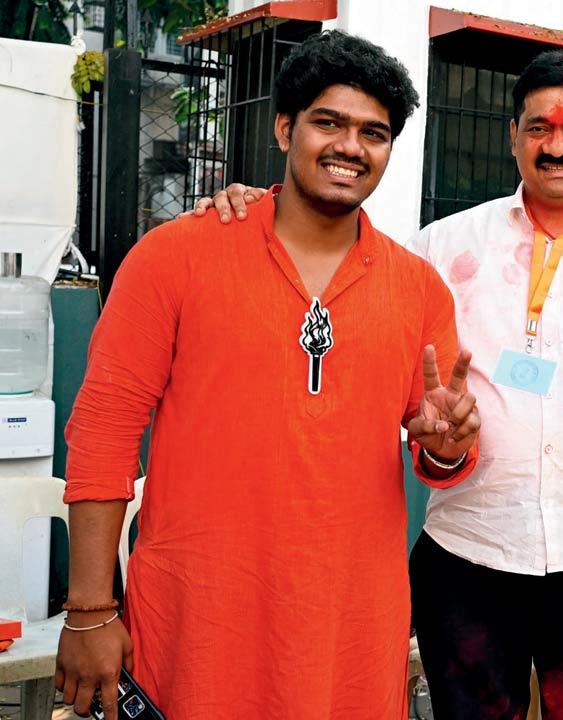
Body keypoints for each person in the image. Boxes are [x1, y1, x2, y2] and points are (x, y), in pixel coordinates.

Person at [191, 48, 563, 719]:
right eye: (540, 129)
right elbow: (341, 263)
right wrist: (263, 207)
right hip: (469, 555)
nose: (558, 147)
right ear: (512, 136)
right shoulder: (441, 245)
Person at [55, 31, 479, 720]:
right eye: (328, 122)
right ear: (285, 128)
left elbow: (438, 441)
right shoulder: (176, 257)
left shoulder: (419, 288)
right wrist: (90, 609)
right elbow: (102, 433)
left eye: (374, 132)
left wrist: (446, 443)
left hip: (351, 632)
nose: (350, 146)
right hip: (202, 626)